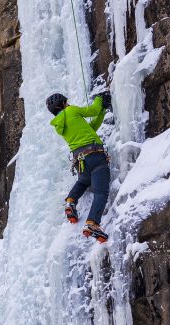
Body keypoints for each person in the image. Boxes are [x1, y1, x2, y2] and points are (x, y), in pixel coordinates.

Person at [47, 91, 112, 243]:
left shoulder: (60, 124)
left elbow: (91, 129)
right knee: (101, 193)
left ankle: (71, 201)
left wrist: (102, 110)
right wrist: (99, 100)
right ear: (63, 104)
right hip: (95, 155)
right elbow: (93, 110)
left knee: (83, 181)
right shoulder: (72, 110)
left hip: (80, 161)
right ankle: (92, 224)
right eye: (66, 102)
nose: (68, 104)